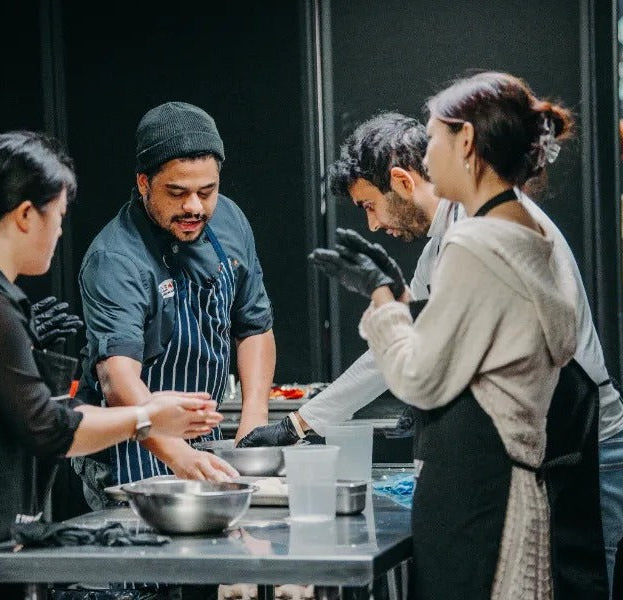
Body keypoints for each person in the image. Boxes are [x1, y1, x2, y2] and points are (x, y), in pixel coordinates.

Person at [238, 110, 623, 596]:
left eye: (370, 206)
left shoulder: (488, 229)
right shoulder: (444, 245)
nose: (373, 225)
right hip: (531, 446)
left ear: (402, 180)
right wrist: (298, 423)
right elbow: (399, 349)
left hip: (584, 445)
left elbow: (438, 356)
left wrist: (424, 383)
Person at [0, 131, 222, 600]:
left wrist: (152, 409)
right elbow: (48, 429)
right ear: (24, 216)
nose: (60, 233)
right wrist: (146, 418)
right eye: (57, 217)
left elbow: (52, 410)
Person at [323, 72, 582, 598]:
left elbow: (418, 378)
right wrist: (401, 295)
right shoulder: (526, 232)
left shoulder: (473, 243)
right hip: (517, 484)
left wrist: (379, 299)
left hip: (476, 497)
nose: (426, 152)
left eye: (433, 136)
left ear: (466, 142)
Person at [74, 101, 275, 490]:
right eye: (177, 192)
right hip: (127, 444)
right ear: (143, 183)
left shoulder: (231, 221)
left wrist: (254, 417)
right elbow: (117, 378)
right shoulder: (115, 259)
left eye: (207, 191)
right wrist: (177, 453)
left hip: (202, 438)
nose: (194, 207)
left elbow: (255, 327)